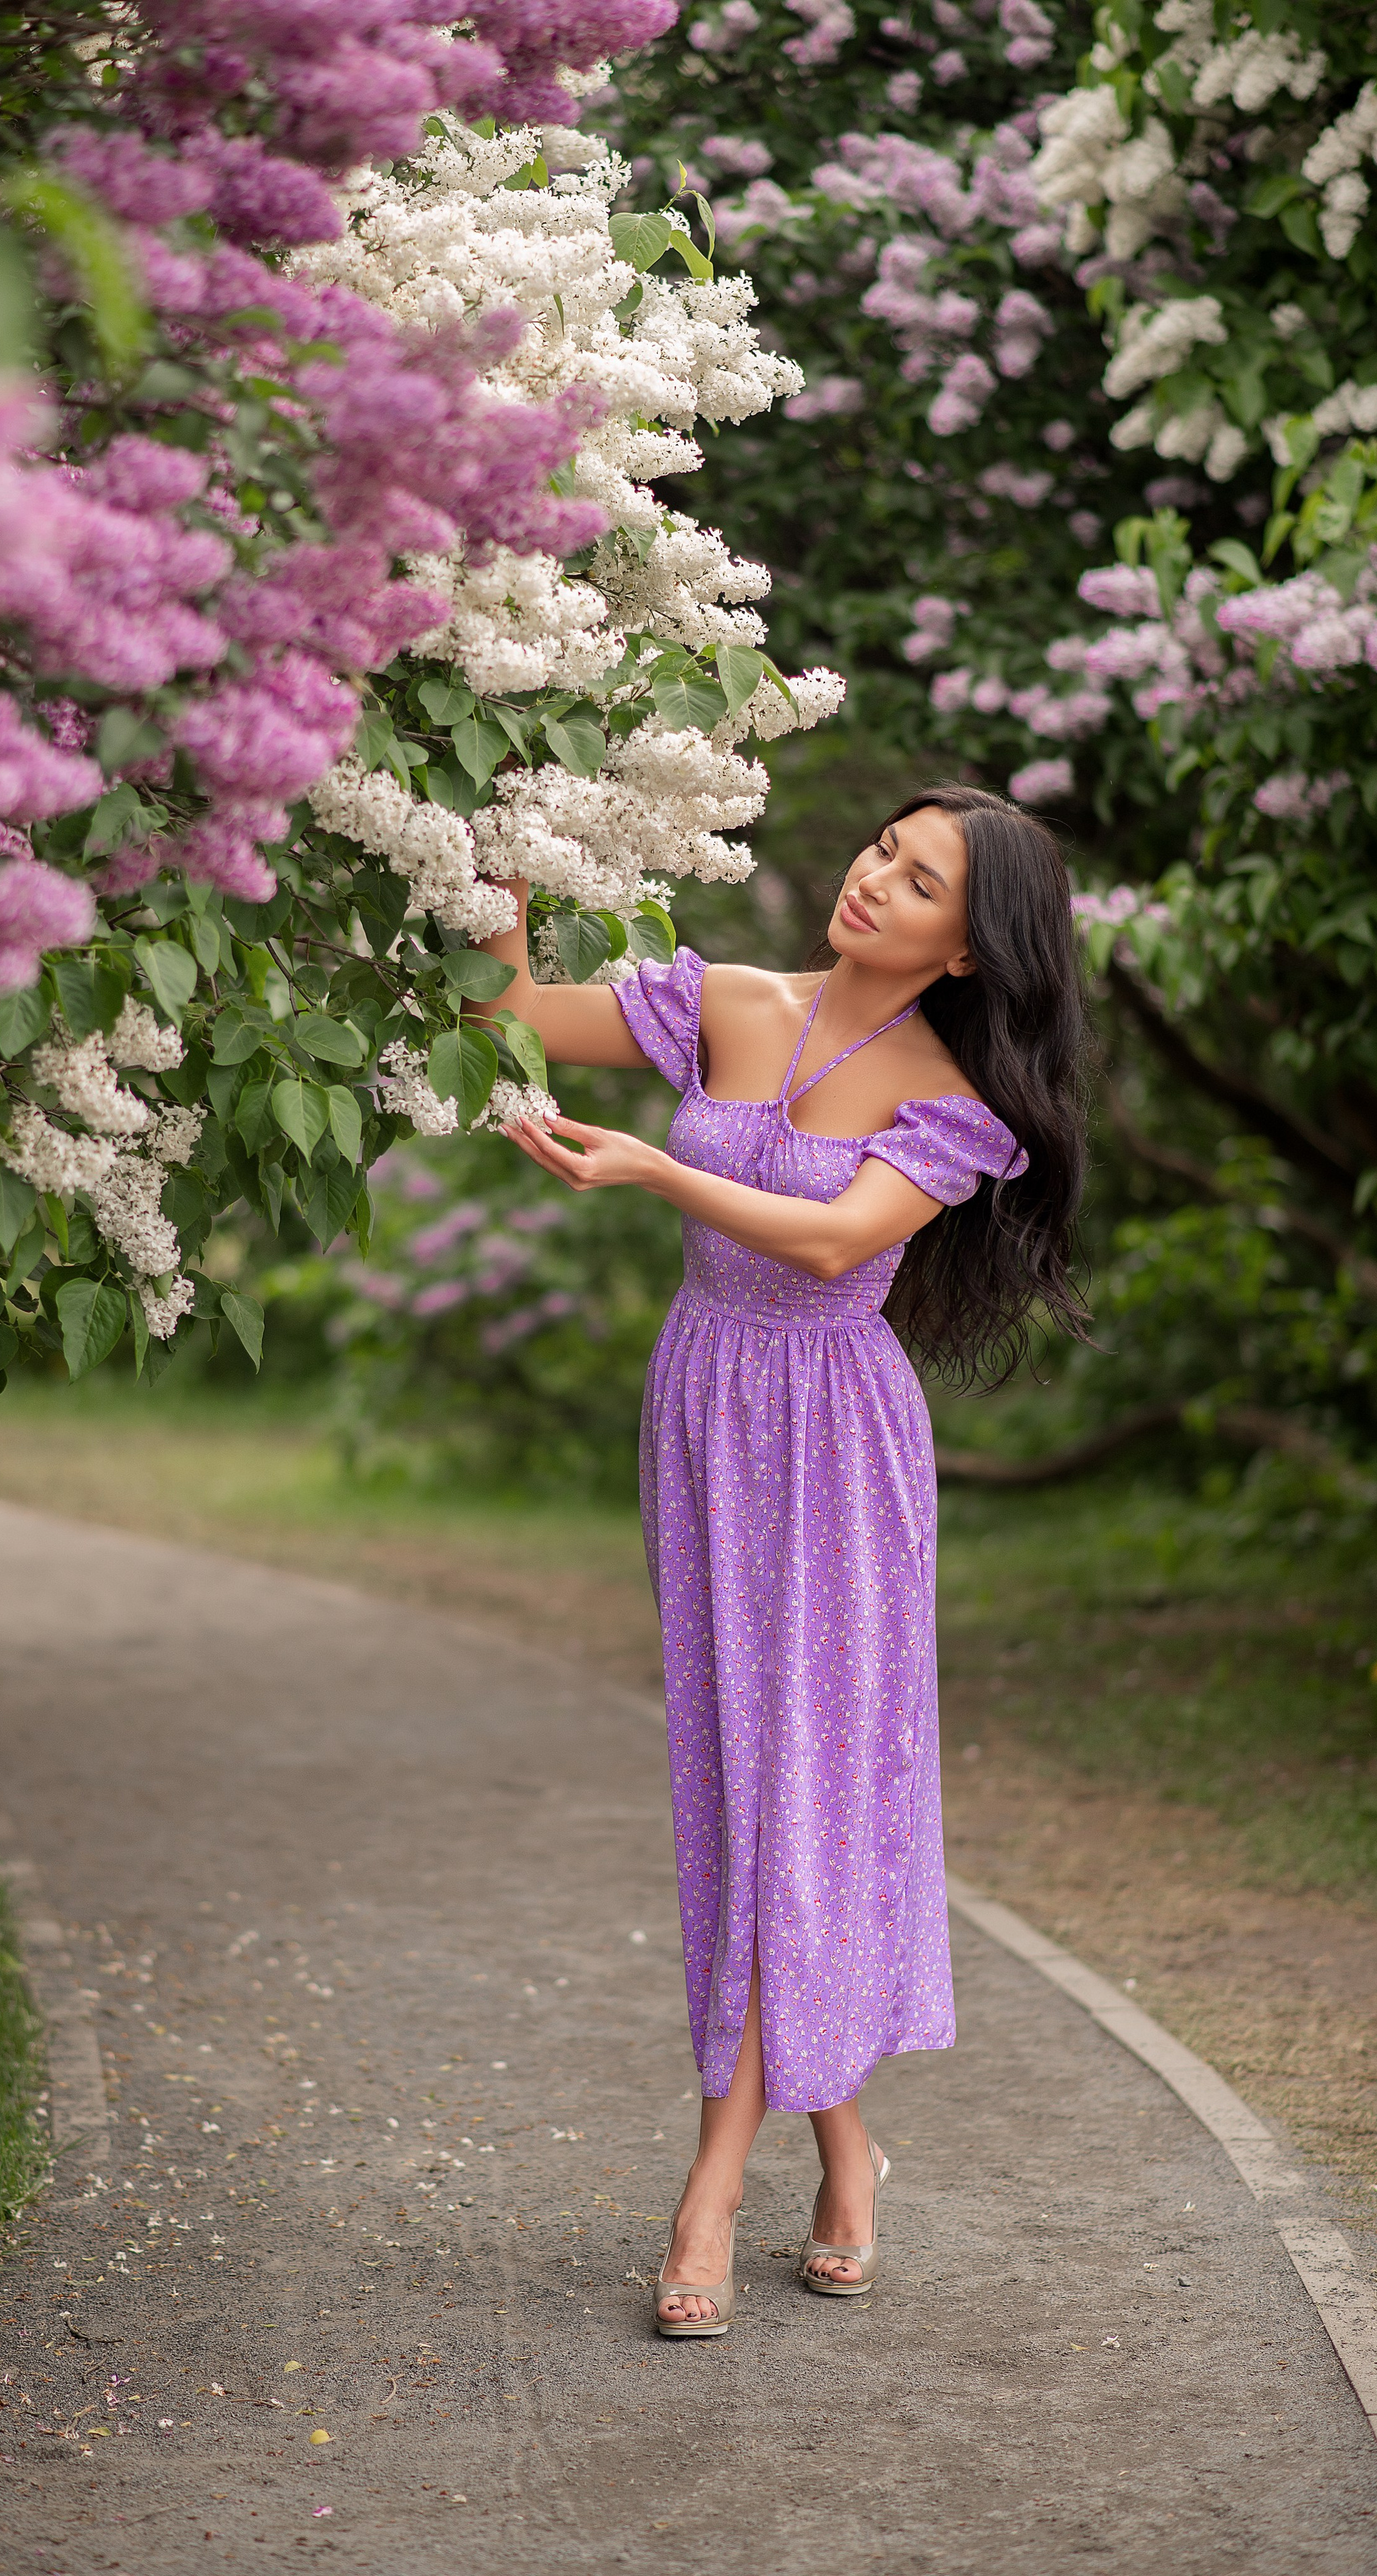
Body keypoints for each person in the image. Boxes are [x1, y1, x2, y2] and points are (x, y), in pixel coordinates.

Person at [471, 784, 1088, 2334]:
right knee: (742, 1785)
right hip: (702, 1412)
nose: (872, 877)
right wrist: (493, 827)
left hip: (835, 1443)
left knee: (798, 1792)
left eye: (919, 877)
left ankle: (708, 2188)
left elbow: (827, 1244)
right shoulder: (726, 999)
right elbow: (505, 1007)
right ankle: (849, 2147)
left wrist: (655, 1173)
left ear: (967, 946)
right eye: (879, 846)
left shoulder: (956, 1094)